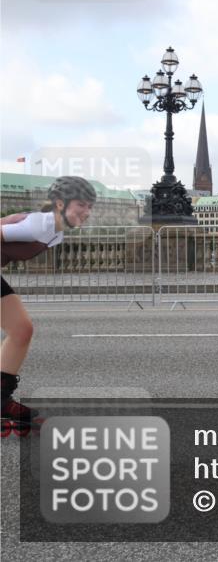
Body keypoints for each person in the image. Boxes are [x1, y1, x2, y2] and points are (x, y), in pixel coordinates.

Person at [1, 176, 95, 433]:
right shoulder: (37, 226)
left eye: (90, 207)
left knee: (22, 330)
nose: (87, 212)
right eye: (81, 205)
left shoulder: (56, 234)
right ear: (60, 204)